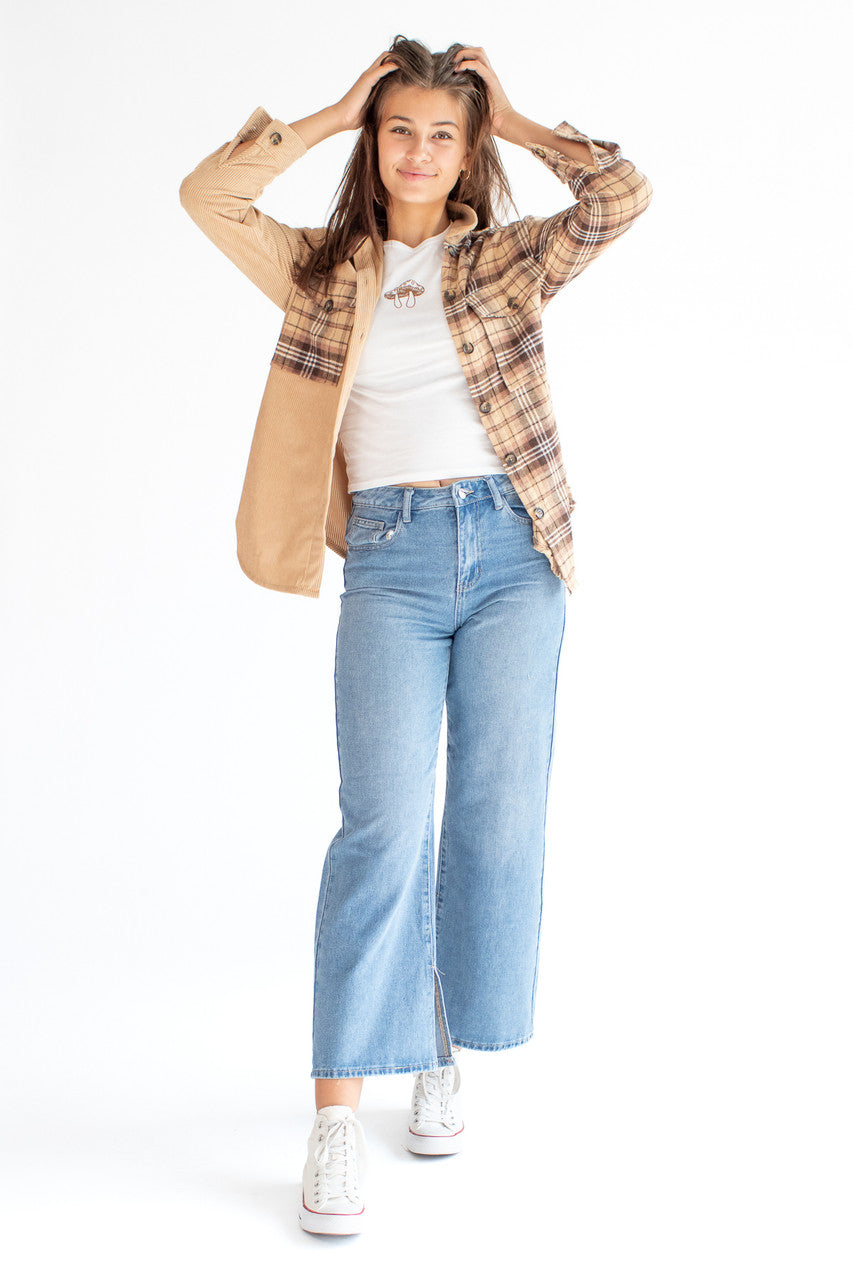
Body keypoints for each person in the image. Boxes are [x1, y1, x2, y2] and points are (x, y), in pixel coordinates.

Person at [179, 34, 652, 1236]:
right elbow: (209, 194)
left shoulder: (501, 259)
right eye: (402, 130)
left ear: (468, 147)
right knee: (381, 825)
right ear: (378, 142)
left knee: (492, 819)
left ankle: (434, 1042)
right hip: (389, 560)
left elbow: (619, 195)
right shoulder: (323, 270)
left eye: (445, 133)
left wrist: (526, 120)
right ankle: (336, 1122)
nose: (421, 151)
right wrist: (335, 108)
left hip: (511, 554)